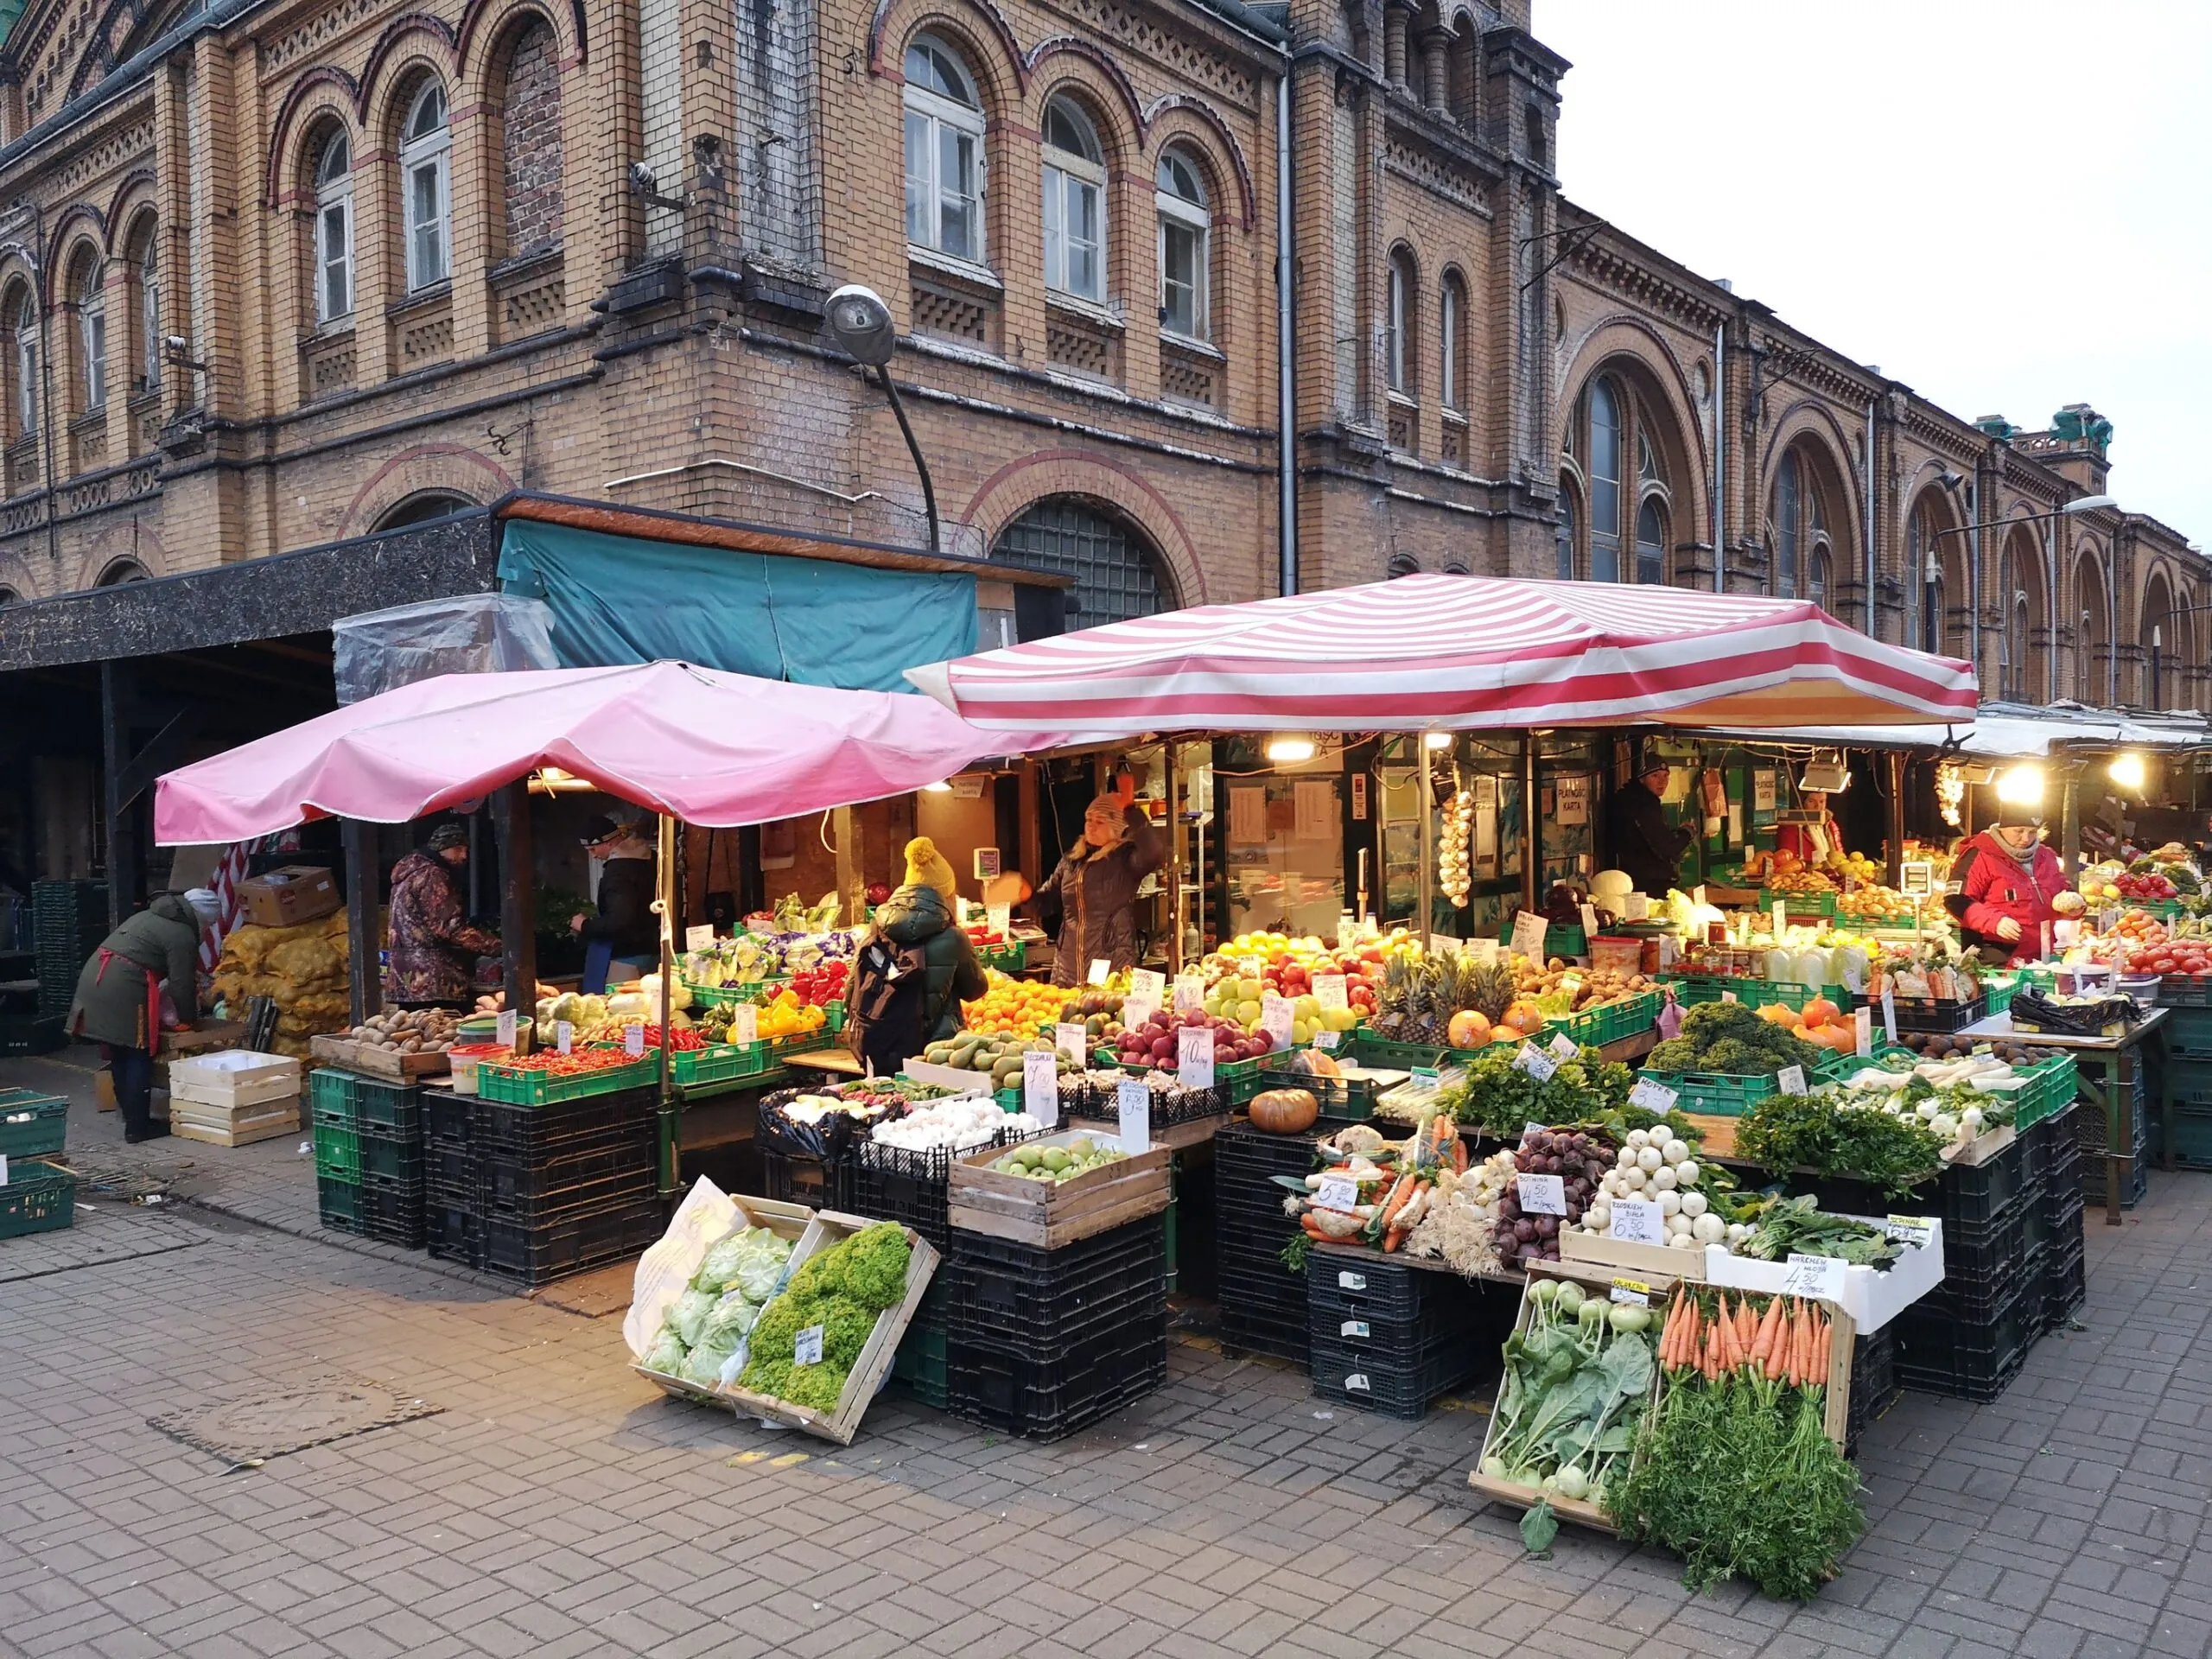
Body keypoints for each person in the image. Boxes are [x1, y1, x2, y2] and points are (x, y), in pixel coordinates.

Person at [67, 890, 213, 1144]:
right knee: (138, 1052)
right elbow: (181, 984)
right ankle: (138, 1127)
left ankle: (131, 1116)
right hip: (124, 985)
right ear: (201, 918)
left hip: (96, 978)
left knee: (119, 1050)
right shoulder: (182, 934)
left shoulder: (149, 915)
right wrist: (190, 1020)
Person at [847, 837, 986, 1077]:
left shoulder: (876, 927)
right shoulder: (953, 937)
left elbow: (851, 989)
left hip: (879, 1047)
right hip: (934, 1052)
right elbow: (975, 990)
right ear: (946, 894)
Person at [1038, 794, 1166, 986]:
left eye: (1100, 822)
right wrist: (1025, 896)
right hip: (1067, 971)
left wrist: (1132, 812)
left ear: (1115, 828)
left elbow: (1154, 853)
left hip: (1111, 968)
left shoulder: (1124, 859)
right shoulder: (1070, 861)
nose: (1091, 825)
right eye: (1089, 819)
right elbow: (1047, 903)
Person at [385, 822, 499, 1007]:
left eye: (465, 850)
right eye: (458, 849)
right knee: (443, 1032)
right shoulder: (433, 875)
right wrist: (495, 945)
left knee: (416, 1033)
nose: (463, 856)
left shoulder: (409, 874)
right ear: (441, 849)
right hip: (433, 980)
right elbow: (449, 928)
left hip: (405, 978)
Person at [1948, 809, 2069, 966]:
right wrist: (1994, 921)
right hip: (1994, 958)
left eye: (2032, 832)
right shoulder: (1979, 855)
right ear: (2002, 828)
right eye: (2018, 831)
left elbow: (2062, 893)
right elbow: (1955, 899)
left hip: (2040, 957)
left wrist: (2073, 907)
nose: (2026, 838)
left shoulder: (2047, 856)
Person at [571, 814, 658, 993]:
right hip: (654, 949)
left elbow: (619, 919)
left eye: (593, 850)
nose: (593, 856)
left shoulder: (618, 873)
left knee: (624, 1012)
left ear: (609, 843)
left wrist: (585, 925)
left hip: (628, 956)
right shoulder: (651, 859)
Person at [1607, 756, 1694, 899]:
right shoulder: (1644, 805)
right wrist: (1687, 833)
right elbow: (1667, 848)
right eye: (1655, 776)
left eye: (1666, 776)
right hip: (1649, 884)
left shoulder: (1631, 799)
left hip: (1633, 879)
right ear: (1642, 779)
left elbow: (1649, 837)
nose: (1663, 781)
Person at [1773, 791, 1839, 868]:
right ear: (1801, 803)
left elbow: (1839, 855)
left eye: (1822, 802)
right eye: (1811, 801)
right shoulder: (1790, 827)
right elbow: (1788, 862)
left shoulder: (1830, 825)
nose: (1817, 806)